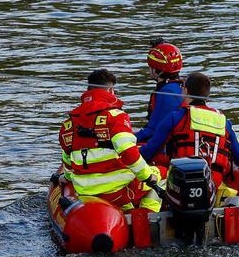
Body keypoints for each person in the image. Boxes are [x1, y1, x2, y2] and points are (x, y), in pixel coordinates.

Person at [59, 68, 166, 213]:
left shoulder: (69, 123)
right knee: (165, 173)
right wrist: (148, 176)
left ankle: (123, 212)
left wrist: (66, 177)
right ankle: (147, 214)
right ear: (110, 90)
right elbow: (128, 152)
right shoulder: (116, 116)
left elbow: (67, 159)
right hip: (116, 191)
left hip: (85, 192)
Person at [141, 71, 239, 202]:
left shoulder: (176, 117)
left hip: (181, 183)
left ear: (185, 90)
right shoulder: (223, 121)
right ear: (207, 95)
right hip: (213, 184)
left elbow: (149, 151)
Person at [131, 41, 185, 153]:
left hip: (169, 148)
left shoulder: (166, 92)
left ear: (156, 70)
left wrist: (128, 139)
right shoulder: (181, 87)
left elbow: (153, 130)